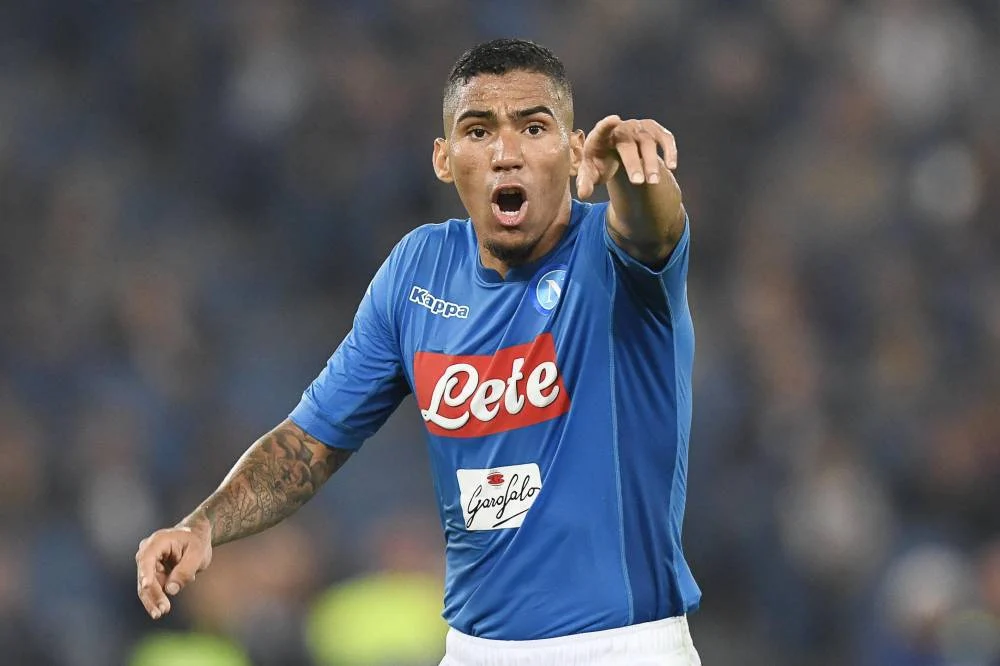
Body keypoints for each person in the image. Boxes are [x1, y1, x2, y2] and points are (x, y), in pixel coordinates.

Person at [136, 38, 702, 665]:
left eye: (534, 127)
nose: (506, 154)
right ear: (443, 158)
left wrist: (636, 177)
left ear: (573, 151)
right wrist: (204, 524)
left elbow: (654, 229)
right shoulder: (418, 272)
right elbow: (309, 443)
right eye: (478, 131)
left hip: (620, 647)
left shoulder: (615, 258)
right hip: (475, 650)